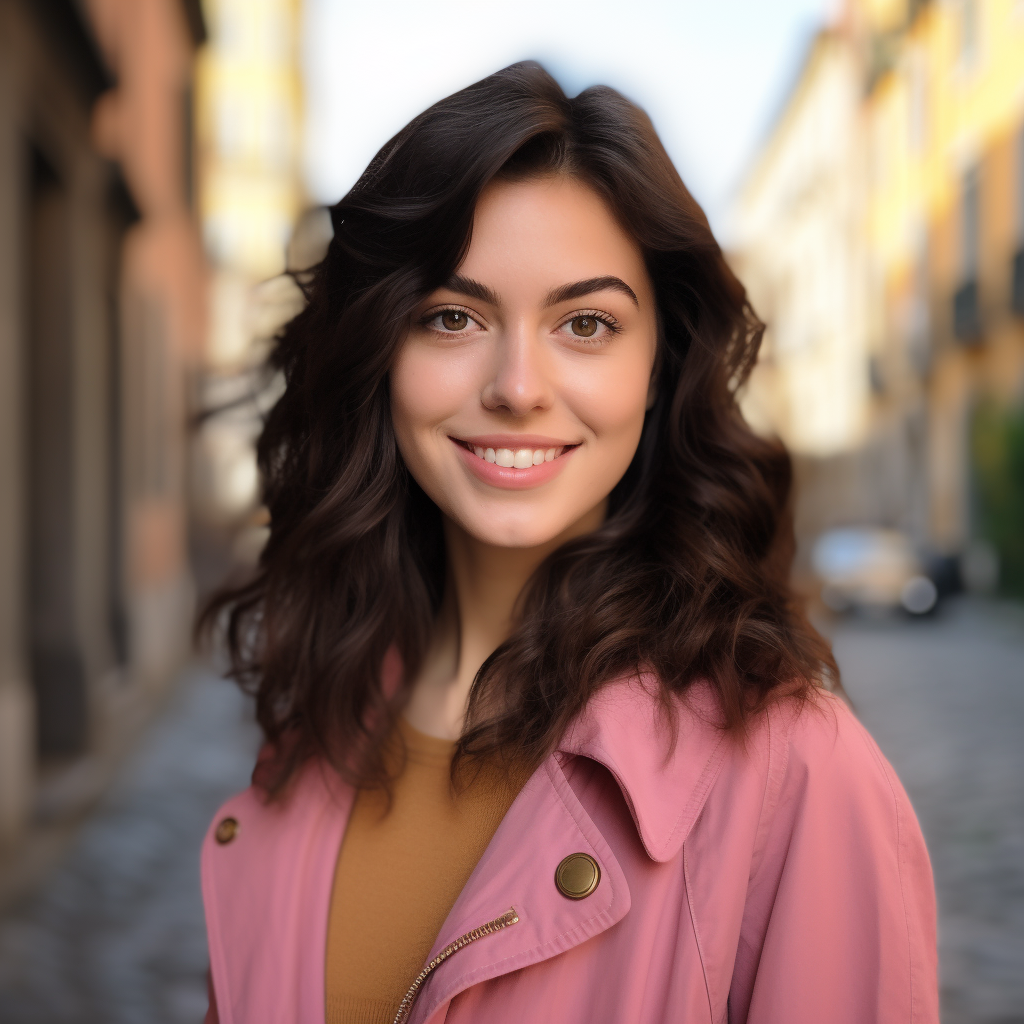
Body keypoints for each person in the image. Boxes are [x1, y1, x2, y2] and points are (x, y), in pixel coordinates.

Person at [199, 63, 938, 1024]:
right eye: (452, 316)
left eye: (585, 323)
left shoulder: (798, 775)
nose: (518, 385)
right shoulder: (320, 721)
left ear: (659, 371)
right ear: (381, 354)